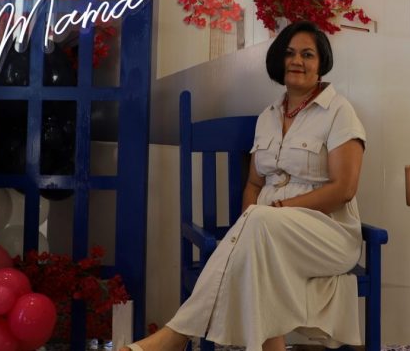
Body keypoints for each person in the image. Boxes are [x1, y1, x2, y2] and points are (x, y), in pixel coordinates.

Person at [124, 21, 367, 351]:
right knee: (257, 245)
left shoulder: (339, 112)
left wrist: (279, 210)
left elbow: (344, 189)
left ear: (321, 63)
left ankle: (175, 336)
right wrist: (250, 223)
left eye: (307, 54)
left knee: (259, 224)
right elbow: (253, 182)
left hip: (327, 234)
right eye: (290, 53)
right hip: (268, 232)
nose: (297, 61)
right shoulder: (267, 117)